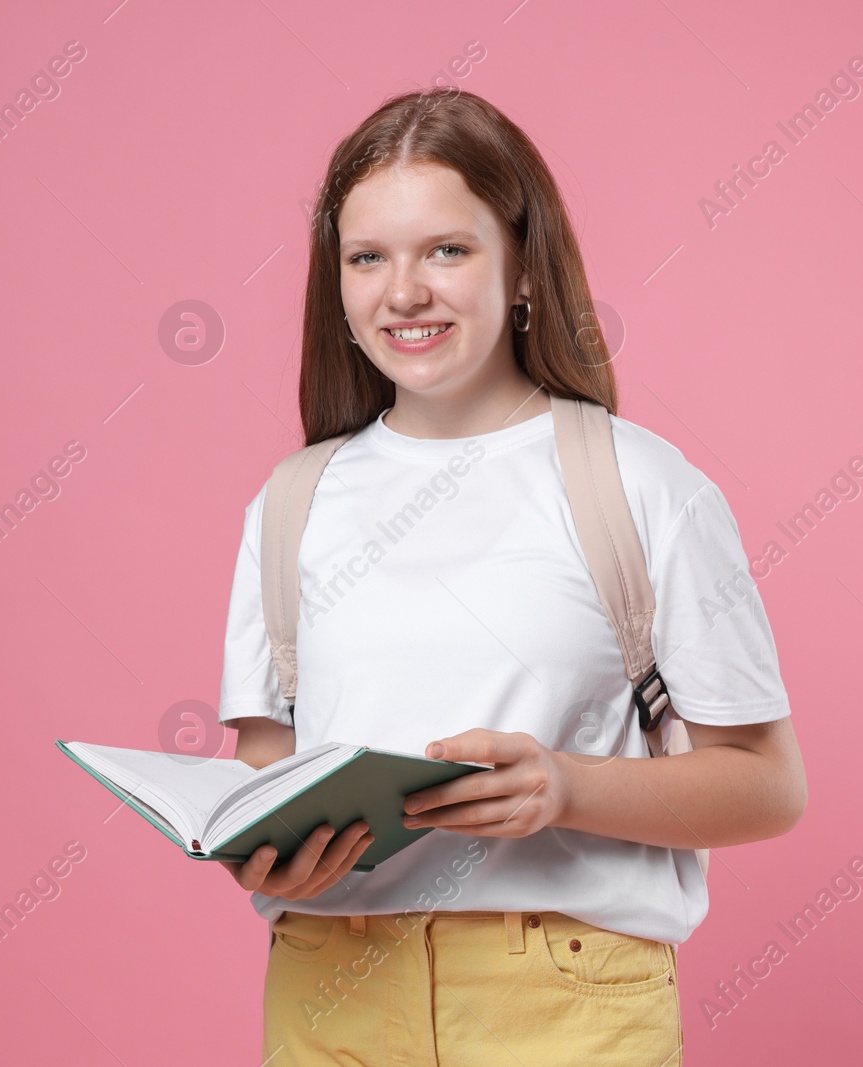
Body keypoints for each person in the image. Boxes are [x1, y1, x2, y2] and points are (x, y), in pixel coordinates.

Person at [215, 87, 806, 1066]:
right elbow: (263, 767)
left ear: (522, 264)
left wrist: (565, 787)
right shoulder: (290, 502)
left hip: (566, 1005)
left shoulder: (642, 484)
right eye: (368, 257)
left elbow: (768, 785)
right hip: (330, 989)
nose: (402, 291)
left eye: (446, 249)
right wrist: (266, 845)